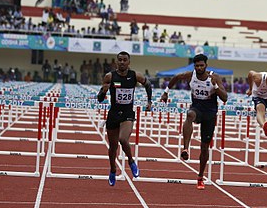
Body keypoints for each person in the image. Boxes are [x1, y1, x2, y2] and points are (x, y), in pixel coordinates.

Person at [160, 54, 228, 190]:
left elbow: (225, 97)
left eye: (201, 65)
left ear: (206, 65)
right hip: (197, 108)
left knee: (204, 148)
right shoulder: (190, 75)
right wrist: (166, 92)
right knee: (189, 114)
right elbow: (175, 78)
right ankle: (185, 148)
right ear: (194, 66)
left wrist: (215, 87)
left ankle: (200, 176)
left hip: (210, 113)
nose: (199, 68)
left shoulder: (214, 78)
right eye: (197, 66)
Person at [97, 51, 152, 186]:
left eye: (124, 60)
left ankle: (131, 161)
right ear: (116, 62)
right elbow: (99, 99)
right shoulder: (110, 76)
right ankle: (112, 170)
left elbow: (148, 84)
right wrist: (103, 91)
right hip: (114, 113)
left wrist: (149, 101)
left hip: (128, 113)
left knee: (123, 139)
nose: (122, 62)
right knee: (113, 147)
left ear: (129, 62)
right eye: (120, 60)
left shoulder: (135, 75)